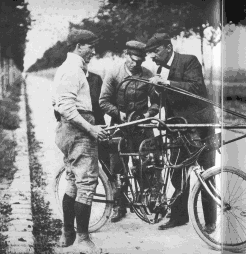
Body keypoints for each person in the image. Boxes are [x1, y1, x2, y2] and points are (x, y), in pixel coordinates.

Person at [145, 33, 217, 232]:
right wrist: (156, 91)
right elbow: (165, 100)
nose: (152, 55)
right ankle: (179, 216)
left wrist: (167, 84)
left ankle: (211, 221)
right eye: (150, 53)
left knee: (207, 172)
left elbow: (196, 88)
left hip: (201, 126)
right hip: (177, 128)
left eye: (155, 50)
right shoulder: (160, 70)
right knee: (177, 173)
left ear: (168, 47)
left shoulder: (189, 61)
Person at [53, 28, 107, 254]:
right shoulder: (72, 70)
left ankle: (68, 234)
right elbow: (65, 106)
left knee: (74, 182)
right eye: (90, 46)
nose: (93, 50)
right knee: (86, 183)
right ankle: (83, 241)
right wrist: (91, 128)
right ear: (78, 46)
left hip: (71, 129)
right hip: (78, 129)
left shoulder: (71, 68)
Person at [99, 40, 161, 222]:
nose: (136, 65)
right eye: (133, 60)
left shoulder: (148, 75)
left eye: (140, 61)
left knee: (148, 161)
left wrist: (148, 114)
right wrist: (120, 114)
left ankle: (148, 198)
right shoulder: (113, 74)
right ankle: (119, 204)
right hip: (120, 125)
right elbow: (103, 101)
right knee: (118, 165)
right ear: (126, 55)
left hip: (142, 126)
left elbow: (157, 102)